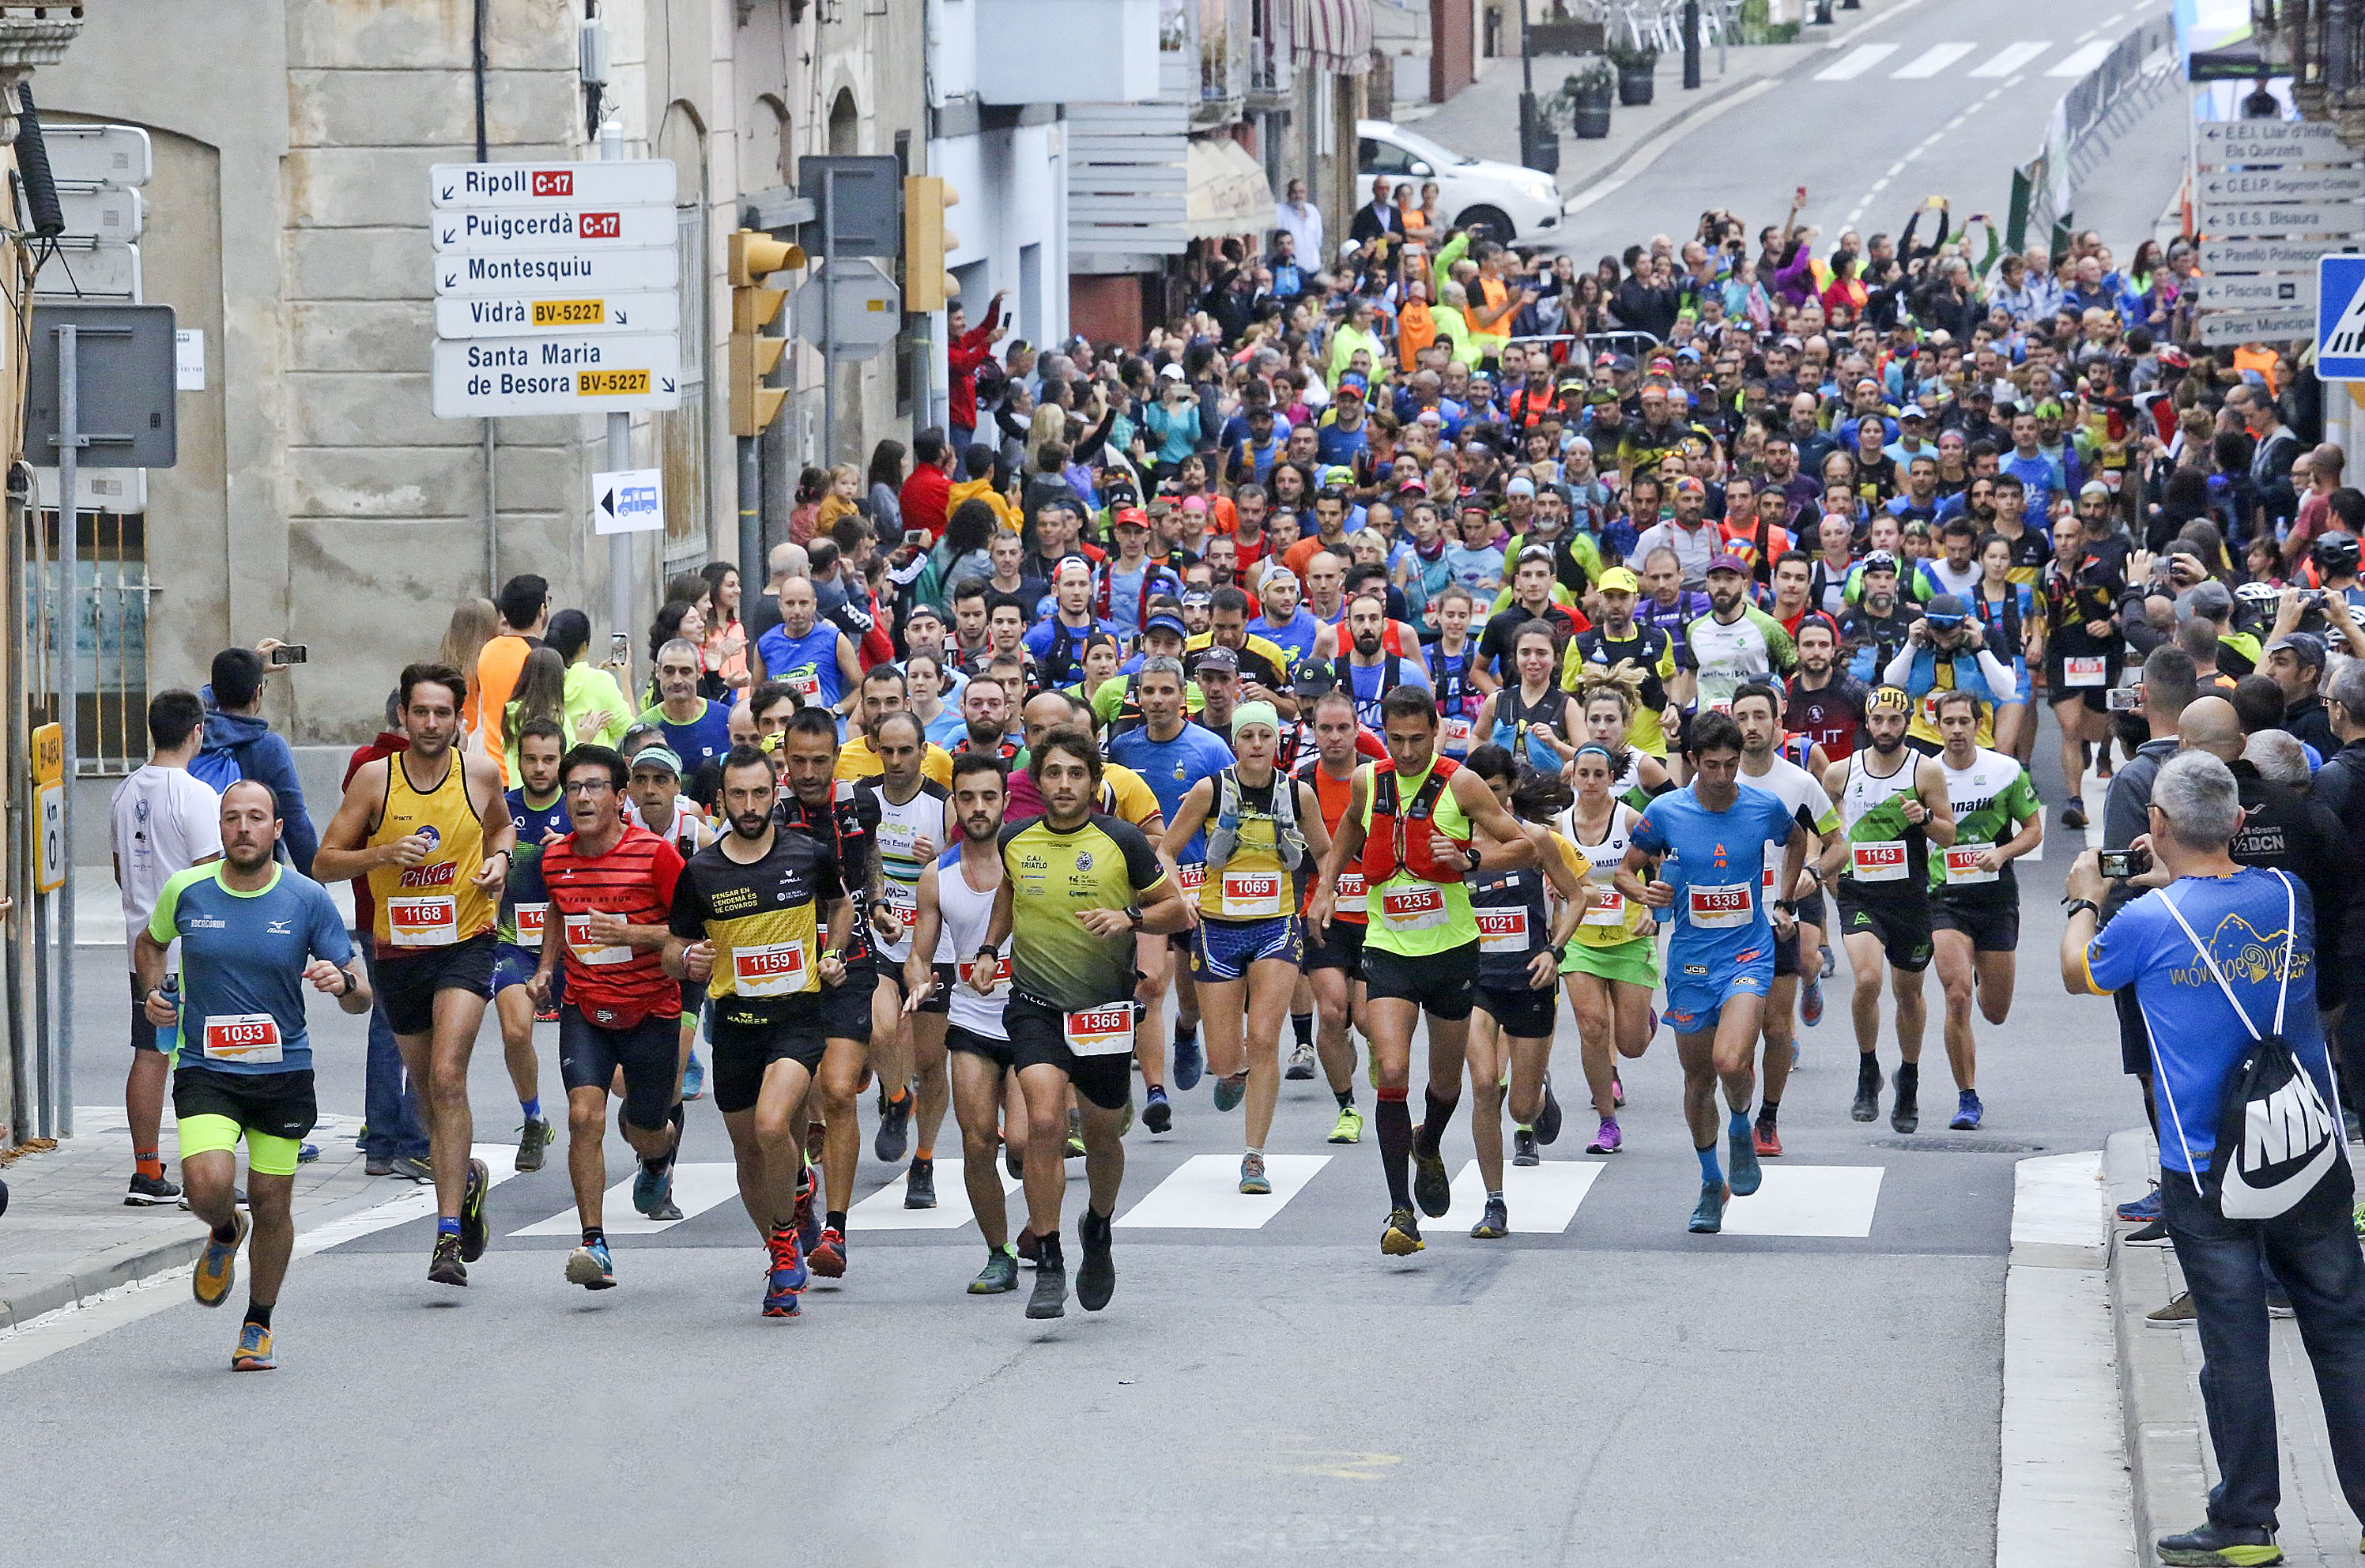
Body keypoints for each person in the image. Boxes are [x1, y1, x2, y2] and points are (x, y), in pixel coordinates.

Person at [2061, 749, 2365, 1568]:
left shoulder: (2143, 925)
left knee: (2233, 1346)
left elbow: (2077, 971)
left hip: (2204, 1168)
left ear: (2155, 828)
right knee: (2342, 1332)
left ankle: (2243, 1526)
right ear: (2239, 823)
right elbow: (2229, 913)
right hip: (2308, 1152)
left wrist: (2083, 899)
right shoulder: (2287, 894)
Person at [136, 780, 371, 1370]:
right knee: (207, 1187)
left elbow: (360, 993)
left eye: (256, 818)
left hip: (282, 1072)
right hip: (206, 1067)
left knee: (272, 1202)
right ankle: (222, 1229)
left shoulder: (306, 899)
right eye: (232, 818)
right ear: (220, 829)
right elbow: (150, 944)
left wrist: (341, 983)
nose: (243, 828)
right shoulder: (185, 890)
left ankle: (258, 1324)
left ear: (276, 829)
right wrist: (153, 995)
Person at [1306, 685, 1539, 1257]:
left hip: (1453, 951)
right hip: (1387, 948)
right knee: (1391, 1065)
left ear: (1436, 732)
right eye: (1396, 739)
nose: (1406, 751)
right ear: (1382, 734)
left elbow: (1525, 847)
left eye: (1417, 739)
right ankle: (1401, 1212)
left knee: (1446, 1084)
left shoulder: (1461, 783)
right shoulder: (1369, 780)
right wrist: (1328, 888)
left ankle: (1428, 1142)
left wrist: (1472, 859)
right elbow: (1349, 836)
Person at [313, 662, 514, 1288]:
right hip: (399, 952)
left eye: (442, 714)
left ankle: (447, 1235)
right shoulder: (377, 779)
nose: (430, 724)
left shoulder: (477, 773)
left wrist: (499, 861)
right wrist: (380, 853)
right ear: (403, 714)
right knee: (429, 1094)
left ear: (459, 720)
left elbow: (503, 825)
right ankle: (468, 1177)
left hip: (466, 942)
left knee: (449, 1078)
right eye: (420, 712)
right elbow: (323, 862)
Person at [984, 727, 1191, 1317]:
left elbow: (1176, 907)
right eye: (1054, 773)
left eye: (1076, 773)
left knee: (1103, 1134)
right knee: (1045, 1120)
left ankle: (1097, 1227)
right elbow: (1009, 895)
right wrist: (988, 949)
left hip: (1101, 1011)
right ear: (1038, 780)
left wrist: (1130, 918)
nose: (1065, 784)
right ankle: (1047, 1258)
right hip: (1036, 1004)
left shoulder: (1122, 839)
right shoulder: (1015, 839)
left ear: (1095, 783)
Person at [665, 744, 852, 1318]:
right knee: (749, 1153)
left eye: (760, 793)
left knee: (773, 1126)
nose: (750, 806)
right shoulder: (701, 872)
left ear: (777, 794)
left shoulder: (809, 853)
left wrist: (834, 953)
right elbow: (674, 946)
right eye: (738, 795)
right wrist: (686, 961)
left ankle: (784, 1232)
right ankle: (780, 1249)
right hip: (737, 1024)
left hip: (797, 1018)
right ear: (721, 800)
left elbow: (839, 907)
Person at [1617, 711, 1809, 1234]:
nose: (1723, 777)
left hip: (1748, 953)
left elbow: (1797, 840)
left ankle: (1743, 1125)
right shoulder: (1666, 812)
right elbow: (1626, 870)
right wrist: (1645, 892)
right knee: (1698, 1081)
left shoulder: (1763, 807)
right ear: (1694, 762)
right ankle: (1710, 1181)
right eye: (1713, 766)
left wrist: (1785, 901)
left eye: (1731, 765)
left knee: (1730, 1061)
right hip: (1690, 963)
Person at [526, 744, 688, 1289]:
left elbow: (694, 931)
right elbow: (558, 907)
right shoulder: (555, 858)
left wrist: (633, 935)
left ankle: (659, 1159)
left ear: (621, 799)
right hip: (586, 1012)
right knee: (582, 1116)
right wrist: (547, 966)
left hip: (651, 1013)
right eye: (573, 789)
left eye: (595, 787)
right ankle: (594, 1242)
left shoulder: (656, 857)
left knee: (646, 1130)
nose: (582, 797)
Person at [1162, 702, 1333, 1195]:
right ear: (1235, 742)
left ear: (1277, 742)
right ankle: (1228, 1072)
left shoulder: (1297, 793)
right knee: (1226, 1057)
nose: (1257, 744)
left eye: (1264, 735)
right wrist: (1180, 895)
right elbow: (1167, 850)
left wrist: (1322, 894)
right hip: (1216, 929)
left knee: (1263, 1039)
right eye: (1247, 736)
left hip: (1276, 929)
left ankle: (1253, 1156)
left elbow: (1323, 852)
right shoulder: (1209, 790)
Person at [773, 707, 886, 1281]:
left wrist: (883, 906)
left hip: (850, 963)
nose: (809, 772)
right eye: (799, 761)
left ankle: (836, 1231)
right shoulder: (767, 812)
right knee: (792, 1101)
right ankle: (799, 1190)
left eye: (821, 761)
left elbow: (869, 870)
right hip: (784, 968)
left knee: (840, 1091)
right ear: (783, 758)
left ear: (837, 757)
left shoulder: (859, 804)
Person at [902, 751, 1021, 1292]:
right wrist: (919, 980)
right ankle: (1000, 1253)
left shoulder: (1029, 862)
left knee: (1024, 1140)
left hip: (1030, 1015)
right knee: (978, 1143)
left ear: (1006, 801)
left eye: (988, 797)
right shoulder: (937, 876)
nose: (978, 808)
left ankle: (1041, 1222)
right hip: (972, 1020)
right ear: (954, 803)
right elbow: (919, 954)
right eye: (967, 797)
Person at [1817, 685, 1956, 1136]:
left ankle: (1909, 1077)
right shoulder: (1841, 773)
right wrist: (1828, 876)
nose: (1885, 729)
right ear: (1868, 721)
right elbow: (1828, 834)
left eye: (1894, 721)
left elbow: (1949, 836)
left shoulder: (1926, 771)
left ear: (1907, 722)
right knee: (1867, 980)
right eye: (1878, 721)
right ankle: (1867, 1069)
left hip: (1911, 897)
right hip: (1861, 894)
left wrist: (1924, 820)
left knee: (1909, 994)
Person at [1458, 749, 1585, 1234]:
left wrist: (1554, 951)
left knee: (1520, 1107)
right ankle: (1494, 1202)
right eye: (1478, 790)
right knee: (1485, 1085)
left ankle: (1540, 1095)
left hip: (1529, 979)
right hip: (1477, 981)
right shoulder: (1456, 844)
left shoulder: (1535, 840)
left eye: (1495, 789)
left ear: (1509, 789)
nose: (1486, 799)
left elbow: (1576, 897)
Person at [1104, 655, 1235, 1126]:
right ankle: (1155, 1091)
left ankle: (1187, 1029)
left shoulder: (1211, 747)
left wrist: (1207, 811)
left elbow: (1237, 808)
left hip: (1201, 880)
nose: (1157, 701)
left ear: (1184, 696)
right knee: (1149, 984)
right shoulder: (1122, 749)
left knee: (1195, 986)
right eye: (1149, 692)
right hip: (1145, 883)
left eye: (1166, 692)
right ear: (1137, 697)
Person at [111, 689, 223, 1204]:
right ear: (197, 732)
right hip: (189, 951)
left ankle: (147, 1169)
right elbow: (210, 878)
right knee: (202, 1063)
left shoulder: (123, 791)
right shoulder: (196, 795)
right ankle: (204, 1175)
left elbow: (118, 870)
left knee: (150, 1054)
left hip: (142, 946)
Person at [1924, 688, 2042, 1133]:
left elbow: (2033, 830)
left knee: (1995, 1011)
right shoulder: (1925, 775)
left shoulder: (2005, 771)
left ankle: (1977, 965)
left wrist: (2003, 853)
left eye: (1964, 722)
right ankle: (1967, 1097)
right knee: (1957, 996)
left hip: (1994, 898)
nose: (1956, 730)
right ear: (1937, 726)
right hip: (1943, 897)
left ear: (1980, 726)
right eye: (1948, 722)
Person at [1730, 683, 1839, 1157]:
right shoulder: (1714, 782)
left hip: (1782, 915)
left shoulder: (1800, 783)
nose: (1751, 727)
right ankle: (1737, 1111)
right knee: (1735, 1034)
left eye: (1761, 716)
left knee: (1776, 1029)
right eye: (1742, 718)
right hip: (1726, 920)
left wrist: (1813, 873)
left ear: (1779, 723)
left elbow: (1840, 845)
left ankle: (1768, 1118)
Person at [856, 710, 952, 1204]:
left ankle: (925, 1161)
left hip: (936, 944)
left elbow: (968, 865)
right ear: (875, 747)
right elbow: (851, 861)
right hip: (879, 936)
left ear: (923, 752)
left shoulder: (941, 803)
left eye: (906, 751)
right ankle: (897, 1098)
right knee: (879, 1028)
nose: (895, 761)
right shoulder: (862, 797)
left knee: (933, 1062)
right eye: (887, 750)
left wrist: (938, 858)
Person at [1557, 741, 1661, 1156]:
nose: (1592, 782)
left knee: (1632, 1045)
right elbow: (1544, 862)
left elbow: (1663, 860)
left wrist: (1654, 908)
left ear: (1612, 778)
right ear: (1573, 777)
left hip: (1629, 939)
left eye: (1600, 774)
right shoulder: (1558, 825)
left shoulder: (1631, 820)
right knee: (1592, 1026)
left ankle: (1642, 1020)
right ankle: (1607, 1122)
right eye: (1584, 774)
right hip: (1581, 942)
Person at [489, 718, 568, 1174]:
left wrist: (571, 849)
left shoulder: (579, 807)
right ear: (518, 761)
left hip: (571, 948)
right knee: (516, 1032)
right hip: (513, 943)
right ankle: (534, 1118)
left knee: (616, 1070)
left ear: (561, 760)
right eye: (531, 759)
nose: (540, 768)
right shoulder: (502, 808)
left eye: (549, 759)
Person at [1296, 687, 1374, 1146]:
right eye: (1325, 728)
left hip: (1375, 916)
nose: (1335, 737)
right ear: (1313, 731)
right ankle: (1347, 1108)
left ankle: (1369, 1048)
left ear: (1357, 730)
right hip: (1321, 913)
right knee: (1331, 1011)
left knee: (1363, 1021)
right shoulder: (1301, 783)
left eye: (1343, 728)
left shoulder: (1377, 779)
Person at [197, 646, 318, 876]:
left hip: (205, 870)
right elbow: (297, 825)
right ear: (257, 694)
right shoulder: (270, 747)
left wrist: (237, 672)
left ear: (214, 689)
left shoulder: (193, 736)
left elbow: (190, 703)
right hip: (257, 877)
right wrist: (316, 892)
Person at [469, 574, 549, 783]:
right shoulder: (541, 657)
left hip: (490, 767)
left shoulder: (488, 650)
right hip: (526, 773)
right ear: (541, 610)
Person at [637, 639, 737, 801]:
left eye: (685, 671)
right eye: (669, 671)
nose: (677, 680)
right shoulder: (645, 725)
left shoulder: (725, 719)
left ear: (698, 673)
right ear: (657, 672)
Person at [753, 578, 865, 718]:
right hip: (783, 732)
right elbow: (756, 694)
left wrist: (836, 710)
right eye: (790, 604)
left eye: (804, 603)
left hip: (827, 728)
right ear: (780, 606)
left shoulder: (835, 639)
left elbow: (862, 689)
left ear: (814, 605)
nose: (797, 611)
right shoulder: (765, 644)